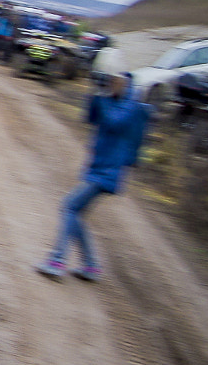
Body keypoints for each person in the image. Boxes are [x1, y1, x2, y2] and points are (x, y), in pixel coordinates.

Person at [37, 72, 149, 281]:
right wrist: (96, 92)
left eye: (115, 82)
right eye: (110, 82)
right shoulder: (112, 102)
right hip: (99, 168)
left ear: (125, 86)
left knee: (69, 206)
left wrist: (105, 97)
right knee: (76, 213)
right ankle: (91, 266)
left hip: (109, 171)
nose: (111, 85)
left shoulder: (130, 107)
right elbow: (90, 118)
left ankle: (57, 260)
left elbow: (114, 123)